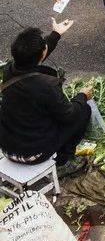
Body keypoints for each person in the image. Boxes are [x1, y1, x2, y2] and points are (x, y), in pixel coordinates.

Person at [0, 20, 90, 175]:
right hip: (34, 155)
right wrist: (82, 96)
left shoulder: (9, 70)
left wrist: (56, 34)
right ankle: (63, 161)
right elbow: (69, 115)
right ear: (42, 54)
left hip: (7, 149)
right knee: (82, 110)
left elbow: (34, 56)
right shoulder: (47, 86)